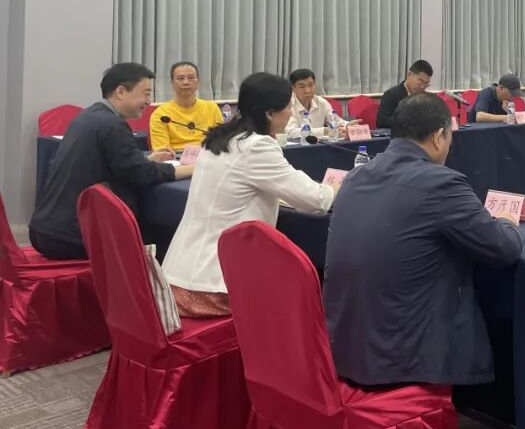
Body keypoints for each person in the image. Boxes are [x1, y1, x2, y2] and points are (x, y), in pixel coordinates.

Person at [324, 92, 523, 387]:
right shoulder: (441, 183)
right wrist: (506, 221)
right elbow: (503, 247)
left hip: (343, 350)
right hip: (403, 360)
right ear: (439, 136)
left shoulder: (355, 177)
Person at [163, 72, 336, 317]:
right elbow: (315, 200)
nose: (290, 113)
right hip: (212, 288)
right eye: (288, 107)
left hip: (178, 276)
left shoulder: (219, 138)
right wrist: (339, 187)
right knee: (305, 287)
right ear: (270, 114)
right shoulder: (257, 146)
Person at [29, 63, 193, 260]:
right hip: (71, 237)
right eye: (146, 94)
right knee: (164, 234)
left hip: (47, 229)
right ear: (121, 92)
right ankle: (151, 280)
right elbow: (140, 174)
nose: (149, 101)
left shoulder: (90, 116)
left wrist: (146, 159)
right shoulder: (112, 124)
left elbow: (110, 162)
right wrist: (194, 168)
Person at [148, 61, 224, 152]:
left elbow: (221, 141)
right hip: (175, 158)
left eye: (191, 78)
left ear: (198, 82)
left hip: (207, 155)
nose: (186, 82)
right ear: (172, 83)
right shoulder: (160, 115)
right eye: (180, 78)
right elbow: (163, 152)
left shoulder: (212, 108)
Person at [284, 68, 342, 138]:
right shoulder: (288, 105)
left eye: (310, 85)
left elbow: (337, 122)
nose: (307, 90)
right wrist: (323, 131)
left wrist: (348, 125)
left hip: (319, 143)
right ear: (293, 88)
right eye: (302, 87)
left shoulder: (321, 102)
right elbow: (290, 132)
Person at [376, 59, 433, 129]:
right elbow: (381, 121)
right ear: (409, 75)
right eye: (420, 81)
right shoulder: (391, 94)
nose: (422, 87)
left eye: (426, 84)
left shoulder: (426, 98)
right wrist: (407, 121)